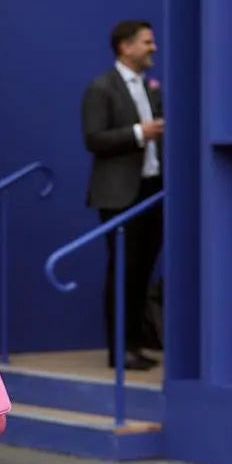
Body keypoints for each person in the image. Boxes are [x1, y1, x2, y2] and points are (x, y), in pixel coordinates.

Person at [81, 20, 164, 371]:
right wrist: (138, 132)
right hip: (118, 195)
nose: (153, 48)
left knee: (143, 271)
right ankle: (119, 350)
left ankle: (135, 342)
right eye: (147, 42)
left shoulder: (150, 88)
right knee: (123, 271)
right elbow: (94, 139)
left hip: (150, 191)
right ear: (125, 47)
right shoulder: (102, 88)